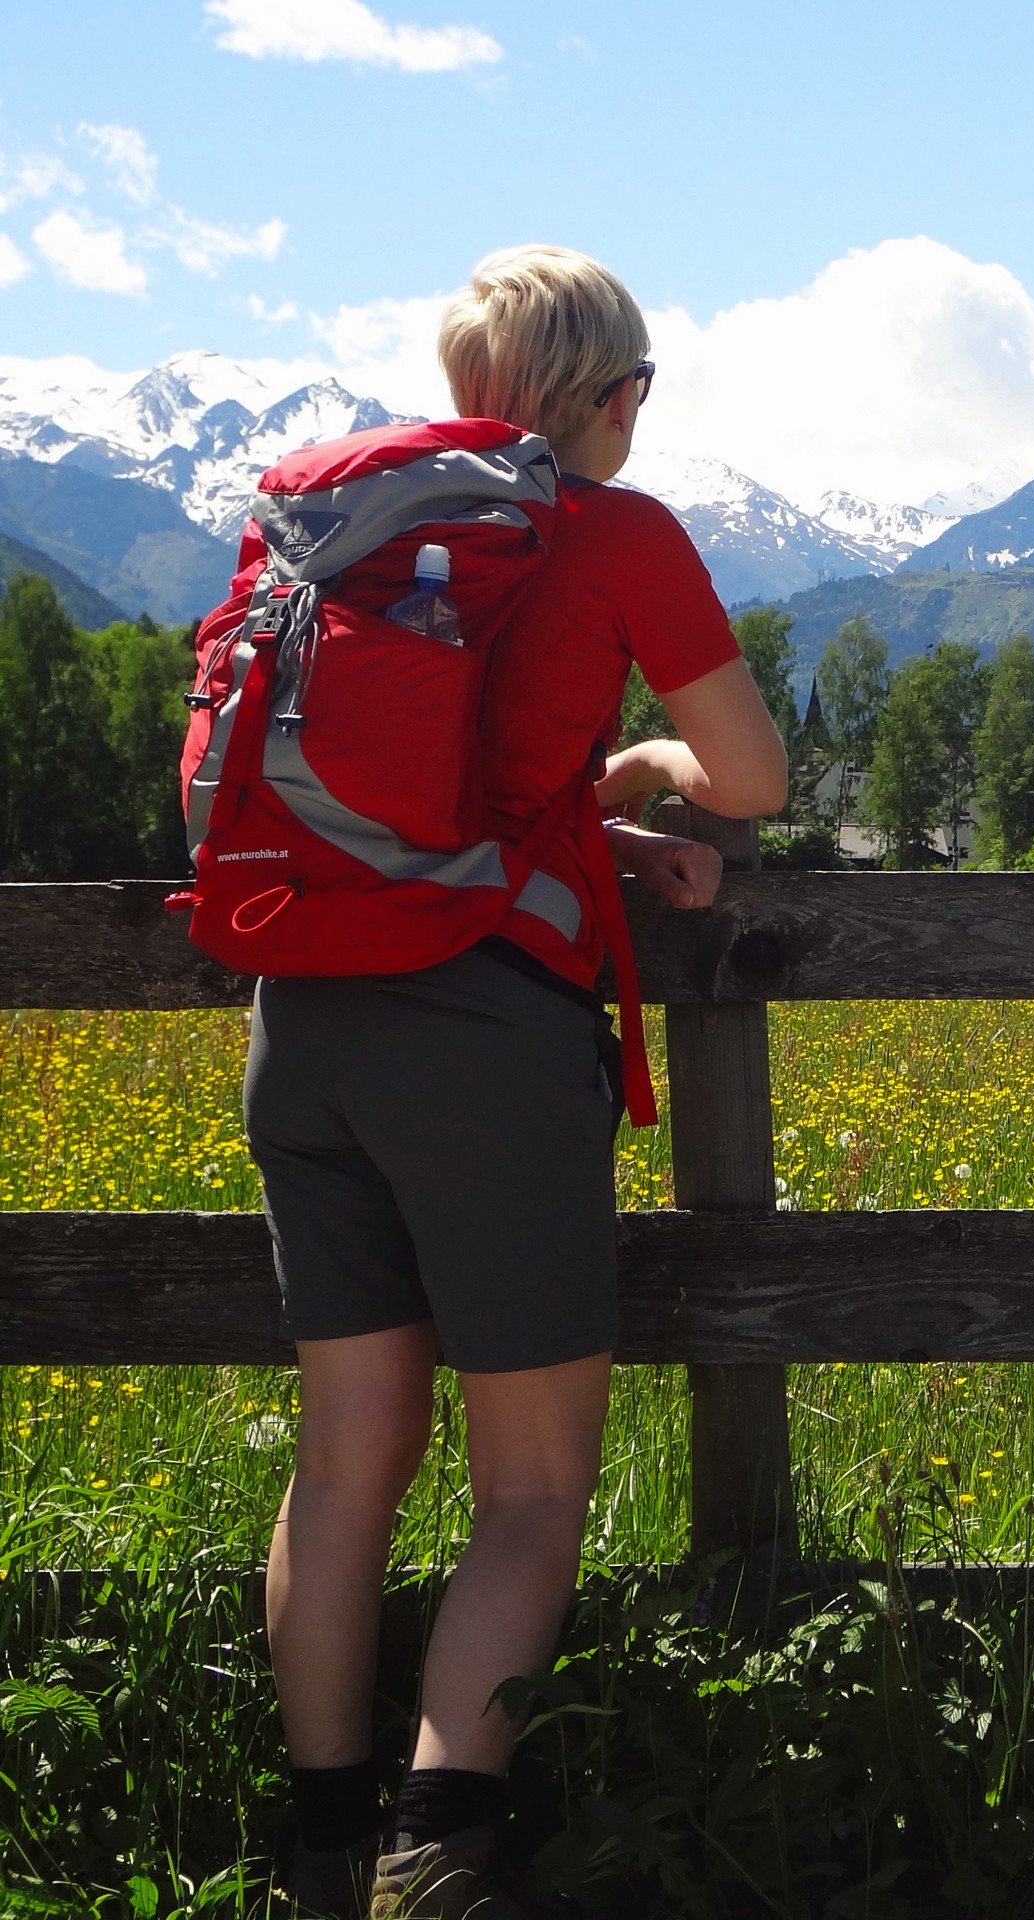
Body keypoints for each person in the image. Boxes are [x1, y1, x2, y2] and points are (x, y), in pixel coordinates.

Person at [253, 245, 786, 1918]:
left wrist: (589, 815)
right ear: (609, 396)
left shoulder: (362, 533)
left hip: (305, 1017)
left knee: (344, 1466)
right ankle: (440, 1856)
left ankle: (322, 1850)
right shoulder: (615, 531)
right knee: (534, 1486)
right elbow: (754, 778)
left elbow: (425, 801)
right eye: (641, 389)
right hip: (482, 1040)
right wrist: (656, 763)